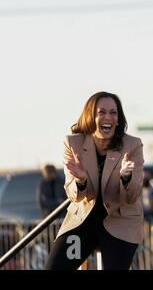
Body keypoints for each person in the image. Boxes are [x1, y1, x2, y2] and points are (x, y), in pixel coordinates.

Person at [45, 91, 144, 270]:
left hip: (120, 222)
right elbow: (74, 196)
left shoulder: (133, 145)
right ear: (90, 116)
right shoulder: (72, 143)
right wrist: (81, 180)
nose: (108, 117)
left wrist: (126, 177)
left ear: (119, 118)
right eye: (102, 112)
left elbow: (132, 197)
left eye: (113, 113)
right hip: (83, 221)